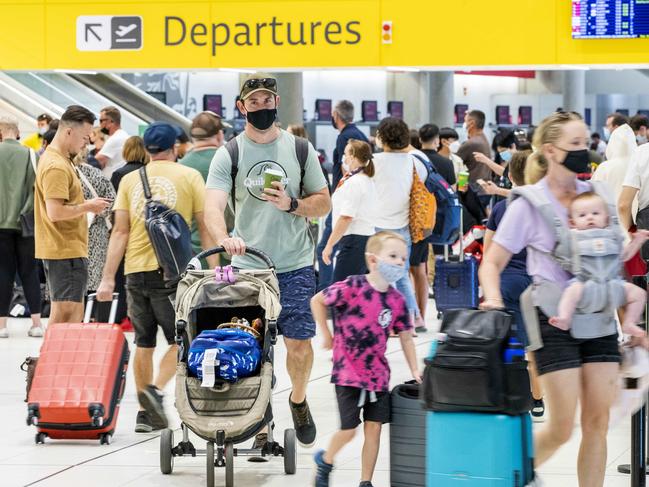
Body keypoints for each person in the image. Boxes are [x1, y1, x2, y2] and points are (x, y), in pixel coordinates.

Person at [479, 111, 647, 485]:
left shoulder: (598, 193)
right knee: (561, 426)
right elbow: (492, 262)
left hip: (599, 318)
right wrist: (492, 297)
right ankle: (513, 475)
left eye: (586, 141)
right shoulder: (526, 204)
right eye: (574, 144)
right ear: (551, 151)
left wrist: (627, 320)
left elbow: (611, 262)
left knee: (597, 422)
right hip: (553, 318)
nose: (583, 150)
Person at [204, 73, 331, 450]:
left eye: (267, 100)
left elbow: (323, 200)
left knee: (298, 344)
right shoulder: (230, 153)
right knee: (251, 347)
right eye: (254, 102)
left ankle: (298, 399)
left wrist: (294, 205)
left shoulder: (300, 149)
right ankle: (260, 417)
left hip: (294, 264)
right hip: (247, 267)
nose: (262, 107)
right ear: (241, 107)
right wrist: (224, 239)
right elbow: (212, 205)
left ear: (277, 104)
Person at [97, 122, 212, 433]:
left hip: (135, 272)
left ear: (146, 150)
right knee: (182, 340)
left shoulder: (131, 180)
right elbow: (204, 227)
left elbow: (119, 232)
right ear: (175, 148)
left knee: (143, 342)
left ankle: (145, 415)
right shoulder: (189, 176)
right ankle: (156, 391)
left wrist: (108, 279)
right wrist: (213, 269)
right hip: (173, 273)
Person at [311, 231, 421, 487]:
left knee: (374, 429)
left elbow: (405, 337)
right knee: (349, 430)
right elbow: (317, 300)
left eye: (402, 258)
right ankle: (326, 461)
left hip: (378, 376)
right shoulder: (352, 286)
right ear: (373, 260)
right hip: (347, 373)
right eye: (392, 256)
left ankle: (366, 481)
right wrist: (326, 333)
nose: (398, 263)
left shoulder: (397, 301)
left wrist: (415, 369)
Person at [34, 105, 111, 326]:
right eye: (85, 136)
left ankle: (57, 360)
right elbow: (55, 212)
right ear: (69, 132)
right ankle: (55, 360)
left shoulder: (60, 159)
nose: (86, 142)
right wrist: (88, 206)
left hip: (65, 248)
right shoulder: (56, 165)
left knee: (69, 313)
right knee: (67, 314)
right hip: (63, 249)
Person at [483, 149, 542, 418]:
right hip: (534, 282)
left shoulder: (500, 208)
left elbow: (489, 251)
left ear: (509, 175)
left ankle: (503, 395)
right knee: (532, 348)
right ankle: (537, 400)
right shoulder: (543, 206)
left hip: (504, 282)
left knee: (505, 343)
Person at [547, 192, 648, 336]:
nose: (590, 217)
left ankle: (629, 322)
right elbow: (559, 255)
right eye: (582, 215)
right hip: (586, 285)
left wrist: (637, 242)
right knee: (571, 291)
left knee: (639, 294)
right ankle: (565, 317)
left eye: (595, 213)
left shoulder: (612, 236)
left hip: (613, 285)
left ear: (606, 218)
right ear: (572, 223)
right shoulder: (573, 237)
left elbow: (623, 256)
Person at [372, 117, 428, 332]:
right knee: (401, 273)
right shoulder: (414, 161)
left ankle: (394, 320)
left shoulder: (373, 161)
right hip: (403, 225)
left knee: (382, 275)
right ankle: (414, 318)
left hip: (378, 225)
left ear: (382, 137)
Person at [317, 100, 369, 292]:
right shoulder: (360, 134)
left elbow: (346, 216)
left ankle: (325, 291)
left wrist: (329, 245)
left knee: (324, 250)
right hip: (357, 228)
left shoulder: (345, 137)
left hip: (348, 221)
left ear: (336, 116)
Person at [0, 116, 44, 338]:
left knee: (3, 272)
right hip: (25, 223)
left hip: (0, 224)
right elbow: (38, 187)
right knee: (29, 272)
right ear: (17, 132)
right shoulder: (30, 153)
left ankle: (2, 327)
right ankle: (36, 324)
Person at [322, 139, 377, 282]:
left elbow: (346, 217)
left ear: (353, 157)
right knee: (355, 293)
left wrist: (329, 245)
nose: (344, 158)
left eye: (346, 154)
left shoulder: (355, 182)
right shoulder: (365, 179)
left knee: (340, 292)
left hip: (354, 242)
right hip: (363, 240)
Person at [181, 111, 226, 255]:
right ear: (219, 135)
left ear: (192, 137)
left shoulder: (181, 166)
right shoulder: (230, 161)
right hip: (229, 248)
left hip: (192, 250)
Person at [74, 150, 116, 304]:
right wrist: (98, 211)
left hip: (70, 231)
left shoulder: (64, 173)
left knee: (74, 279)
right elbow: (112, 201)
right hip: (96, 230)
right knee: (95, 275)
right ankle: (94, 317)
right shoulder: (96, 173)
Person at [591, 123, 637, 217]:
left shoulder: (605, 167)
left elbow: (594, 194)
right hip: (639, 221)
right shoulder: (641, 165)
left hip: (612, 218)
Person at [473, 130, 518, 199]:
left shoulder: (521, 163)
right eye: (499, 152)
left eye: (503, 151)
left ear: (513, 146)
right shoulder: (506, 160)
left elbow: (519, 193)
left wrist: (497, 190)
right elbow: (504, 173)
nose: (502, 154)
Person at [456, 109, 492, 185]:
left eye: (465, 121)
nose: (464, 124)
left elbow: (455, 165)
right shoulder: (484, 139)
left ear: (471, 123)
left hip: (474, 190)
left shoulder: (471, 143)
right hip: (484, 188)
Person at [96, 106, 129, 178]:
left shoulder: (115, 138)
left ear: (111, 121)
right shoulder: (122, 135)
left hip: (112, 181)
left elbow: (97, 160)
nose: (100, 124)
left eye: (101, 121)